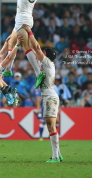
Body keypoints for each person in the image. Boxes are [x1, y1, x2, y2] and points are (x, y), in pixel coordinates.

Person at [22, 24, 63, 163]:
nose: (40, 53)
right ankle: (59, 154)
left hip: (49, 97)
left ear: (46, 55)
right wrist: (24, 43)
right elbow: (32, 50)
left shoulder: (47, 63)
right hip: (49, 96)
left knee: (51, 126)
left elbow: (37, 48)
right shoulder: (45, 66)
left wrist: (29, 31)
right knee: (51, 125)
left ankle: (55, 157)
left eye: (42, 52)